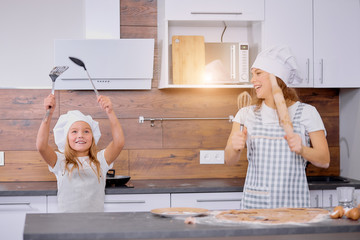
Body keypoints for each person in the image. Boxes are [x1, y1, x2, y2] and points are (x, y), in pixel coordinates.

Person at [225, 45, 330, 209]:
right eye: (252, 74)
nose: (252, 80)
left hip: (294, 206)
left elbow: (324, 160)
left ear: (277, 78)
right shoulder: (246, 114)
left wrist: (302, 149)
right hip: (255, 206)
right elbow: (228, 160)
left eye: (258, 73)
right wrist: (235, 148)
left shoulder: (307, 113)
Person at [36, 94, 125, 212]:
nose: (80, 135)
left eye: (86, 131)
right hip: (67, 225)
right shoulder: (60, 161)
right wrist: (48, 113)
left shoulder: (101, 160)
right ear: (66, 138)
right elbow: (41, 146)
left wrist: (110, 112)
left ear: (93, 137)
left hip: (95, 224)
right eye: (74, 131)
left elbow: (119, 143)